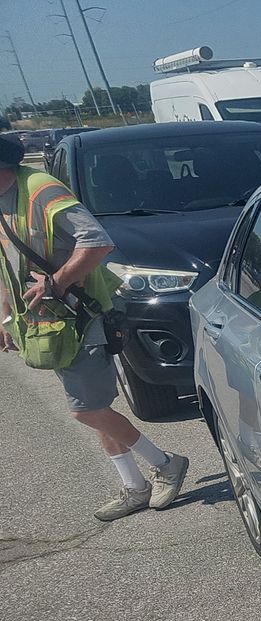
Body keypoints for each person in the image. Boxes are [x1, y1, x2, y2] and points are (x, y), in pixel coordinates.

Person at [0, 134, 187, 521]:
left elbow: (98, 243)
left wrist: (56, 282)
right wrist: (5, 317)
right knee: (96, 406)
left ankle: (167, 462)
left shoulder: (40, 190)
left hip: (80, 315)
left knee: (86, 410)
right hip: (48, 324)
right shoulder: (5, 197)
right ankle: (135, 487)